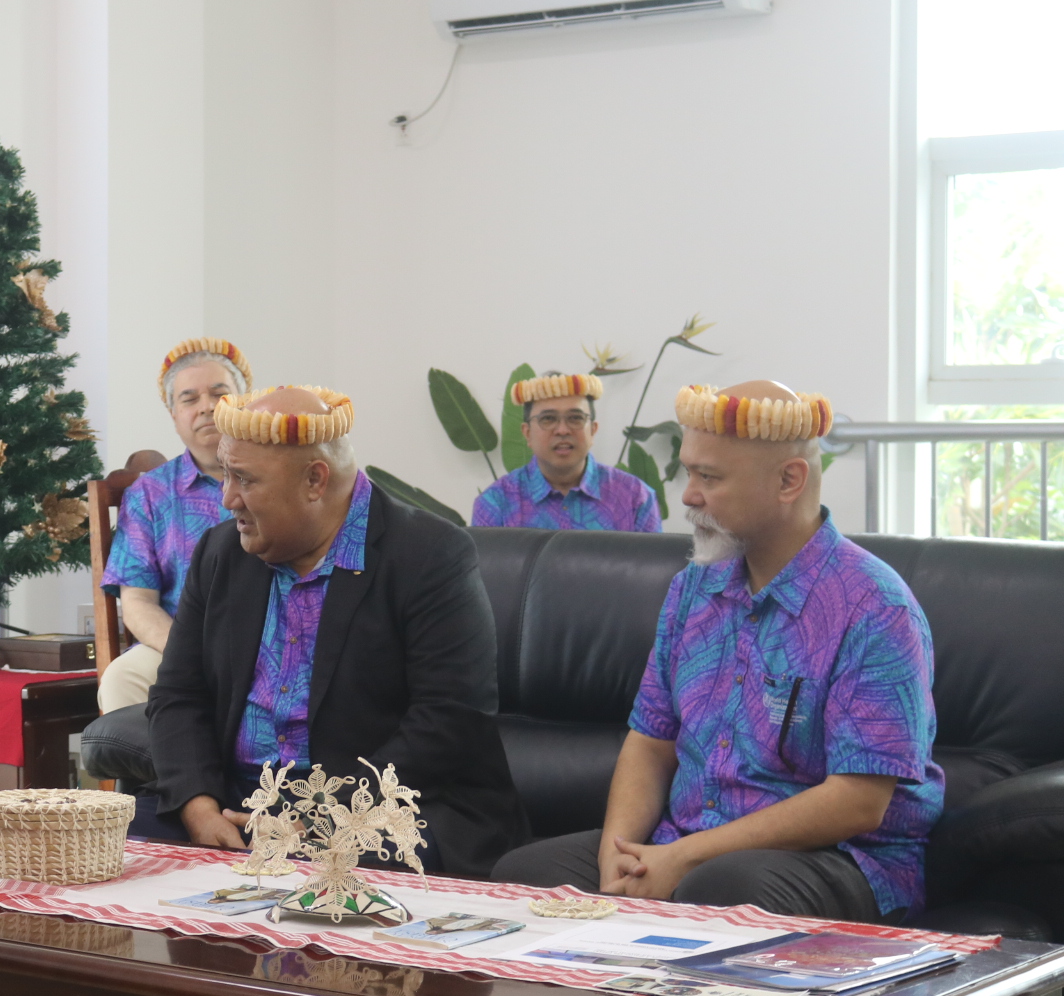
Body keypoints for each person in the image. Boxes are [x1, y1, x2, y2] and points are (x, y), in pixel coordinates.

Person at [493, 381, 942, 921]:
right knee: (525, 882)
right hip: (685, 842)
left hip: (835, 860)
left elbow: (857, 801)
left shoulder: (872, 605)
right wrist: (617, 856)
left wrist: (683, 858)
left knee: (721, 887)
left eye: (709, 477)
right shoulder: (693, 588)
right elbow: (651, 740)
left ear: (788, 480)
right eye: (690, 472)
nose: (688, 495)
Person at [146, 384, 530, 878]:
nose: (227, 500)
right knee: (114, 845)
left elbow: (447, 723)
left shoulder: (429, 555)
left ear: (314, 480)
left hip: (388, 813)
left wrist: (319, 816)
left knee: (337, 870)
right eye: (225, 474)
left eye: (244, 479)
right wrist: (197, 806)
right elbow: (179, 693)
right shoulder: (221, 553)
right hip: (233, 808)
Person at [97, 337, 252, 713]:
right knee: (124, 678)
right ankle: (168, 775)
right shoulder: (150, 494)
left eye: (220, 393)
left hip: (281, 644)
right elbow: (137, 603)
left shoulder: (284, 474)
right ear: (173, 414)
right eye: (189, 398)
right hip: (184, 647)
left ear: (246, 401)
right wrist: (195, 654)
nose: (207, 407)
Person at [471, 372, 661, 532]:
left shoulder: (635, 498)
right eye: (548, 419)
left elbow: (652, 573)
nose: (562, 430)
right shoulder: (495, 503)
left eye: (575, 418)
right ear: (527, 433)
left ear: (593, 430)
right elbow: (487, 576)